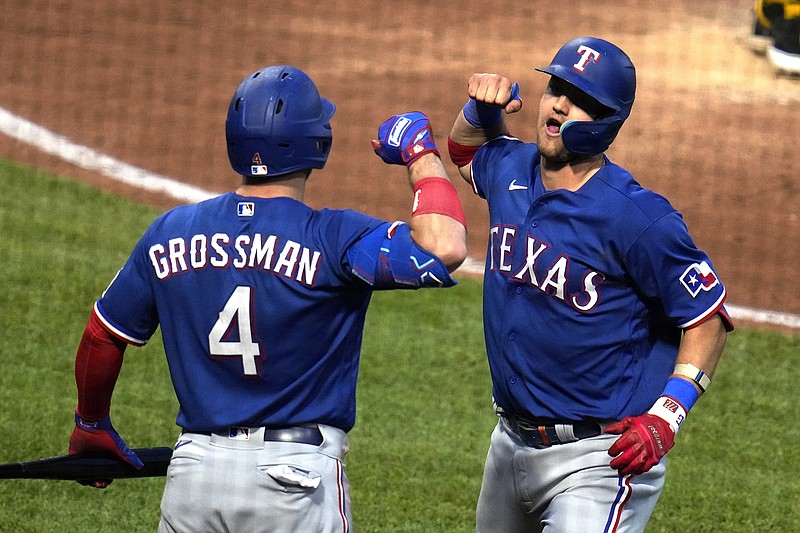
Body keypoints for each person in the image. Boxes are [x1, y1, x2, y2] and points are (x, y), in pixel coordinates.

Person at [67, 65, 467, 532]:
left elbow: (103, 336)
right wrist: (419, 153)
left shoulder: (169, 233)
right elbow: (444, 246)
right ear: (317, 144)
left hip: (193, 480)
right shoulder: (334, 237)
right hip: (294, 484)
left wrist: (90, 424)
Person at [447, 36, 733, 532]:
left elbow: (708, 318)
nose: (558, 102)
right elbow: (465, 150)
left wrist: (668, 415)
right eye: (556, 86)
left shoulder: (638, 217)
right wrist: (481, 111)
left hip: (599, 458)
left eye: (578, 98)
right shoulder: (513, 167)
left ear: (605, 122)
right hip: (510, 442)